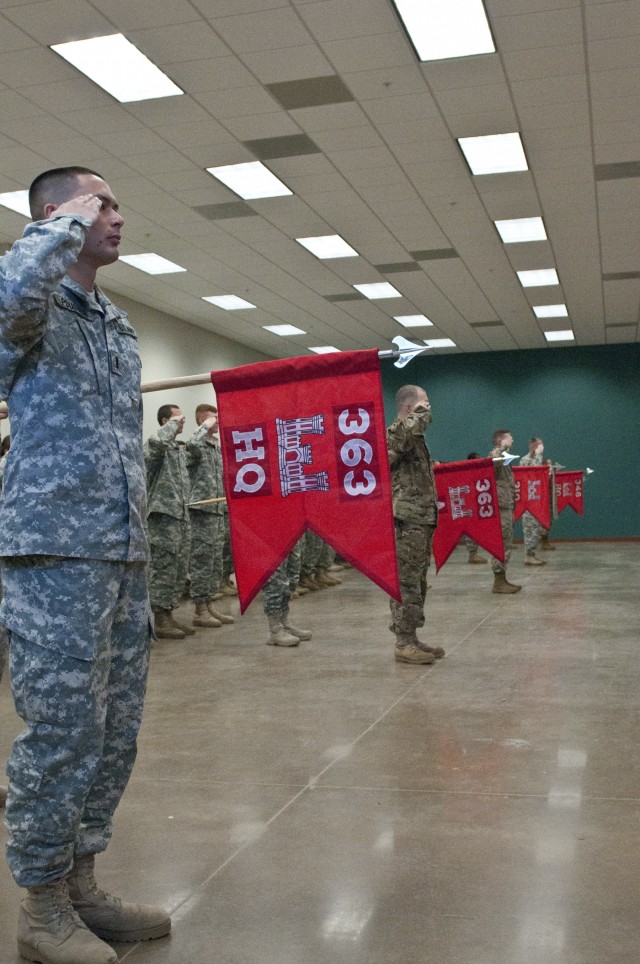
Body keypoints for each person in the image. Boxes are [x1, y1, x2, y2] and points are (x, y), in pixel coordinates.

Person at [0, 167, 169, 964]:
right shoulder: (30, 306)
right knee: (63, 731)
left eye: (114, 204)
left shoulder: (116, 323)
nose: (117, 217)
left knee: (112, 733)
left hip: (121, 552)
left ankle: (81, 885)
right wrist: (58, 226)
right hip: (53, 551)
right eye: (103, 203)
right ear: (57, 214)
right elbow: (7, 299)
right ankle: (39, 908)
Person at [387, 385, 444, 664]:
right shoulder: (397, 432)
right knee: (406, 581)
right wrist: (420, 415)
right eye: (425, 403)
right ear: (410, 408)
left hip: (421, 517)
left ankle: (412, 636)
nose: (429, 408)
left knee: (418, 581)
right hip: (406, 518)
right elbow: (402, 440)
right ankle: (403, 641)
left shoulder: (414, 436)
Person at [145, 404, 194, 640]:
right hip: (163, 518)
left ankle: (169, 613)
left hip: (180, 516)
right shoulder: (158, 447)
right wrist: (172, 426)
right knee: (163, 569)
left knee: (178, 569)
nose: (182, 421)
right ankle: (158, 616)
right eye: (177, 418)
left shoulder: (176, 450)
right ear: (165, 421)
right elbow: (154, 445)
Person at [186, 403, 234, 628]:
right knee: (202, 560)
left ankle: (209, 603)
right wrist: (204, 427)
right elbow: (192, 443)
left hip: (217, 510)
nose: (217, 420)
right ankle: (199, 609)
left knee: (215, 561)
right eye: (212, 418)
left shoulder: (215, 447)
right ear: (202, 421)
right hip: (202, 511)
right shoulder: (197, 445)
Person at [489, 429, 522, 593]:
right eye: (510, 437)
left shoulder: (505, 459)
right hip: (500, 507)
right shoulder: (496, 455)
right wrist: (501, 448)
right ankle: (498, 581)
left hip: (506, 506)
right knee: (502, 543)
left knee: (506, 542)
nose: (513, 440)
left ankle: (502, 578)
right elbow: (493, 461)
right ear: (500, 441)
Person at [519, 437, 548, 566]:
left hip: (536, 500)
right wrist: (538, 454)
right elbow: (535, 472)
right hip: (528, 501)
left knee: (536, 529)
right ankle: (529, 556)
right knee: (530, 529)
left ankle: (531, 554)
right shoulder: (525, 460)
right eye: (539, 446)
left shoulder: (536, 459)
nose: (541, 448)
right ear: (533, 447)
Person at [463, 451, 487, 564]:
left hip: (477, 504)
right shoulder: (467, 473)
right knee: (471, 530)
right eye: (477, 459)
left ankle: (474, 553)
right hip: (469, 506)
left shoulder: (478, 473)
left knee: (476, 530)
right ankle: (472, 554)